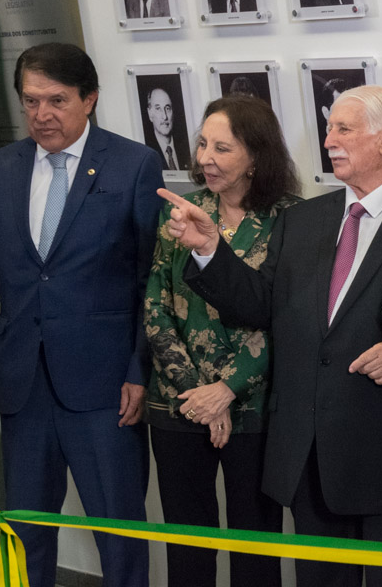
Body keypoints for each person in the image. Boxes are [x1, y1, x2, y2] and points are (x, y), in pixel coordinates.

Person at [164, 86, 382, 587]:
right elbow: (263, 306)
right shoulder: (305, 218)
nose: (329, 141)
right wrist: (210, 249)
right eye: (329, 129)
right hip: (309, 455)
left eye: (344, 129)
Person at [0, 43, 162, 587]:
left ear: (89, 99)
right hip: (21, 386)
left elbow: (153, 284)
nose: (41, 114)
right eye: (31, 101)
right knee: (26, 533)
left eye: (56, 100)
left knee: (119, 536)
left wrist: (138, 371)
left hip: (106, 387)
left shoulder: (134, 164)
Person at [143, 94, 298, 586]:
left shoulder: (293, 219)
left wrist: (227, 390)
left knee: (256, 551)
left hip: (254, 408)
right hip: (180, 403)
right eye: (203, 144)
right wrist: (197, 394)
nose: (206, 158)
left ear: (256, 156)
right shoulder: (180, 213)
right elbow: (156, 307)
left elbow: (290, 320)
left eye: (222, 148)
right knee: (188, 550)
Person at [145, 86, 190, 171]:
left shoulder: (187, 147)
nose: (165, 116)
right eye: (158, 109)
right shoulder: (146, 152)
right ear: (150, 113)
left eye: (167, 108)